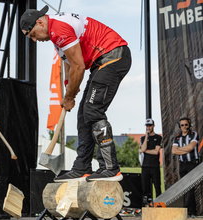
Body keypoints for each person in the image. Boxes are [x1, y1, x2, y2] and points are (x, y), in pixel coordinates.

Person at [20, 6, 131, 181]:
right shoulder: (56, 38)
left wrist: (70, 96)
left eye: (32, 34)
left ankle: (110, 168)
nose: (34, 40)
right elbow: (69, 64)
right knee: (83, 115)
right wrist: (68, 90)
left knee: (92, 111)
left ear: (40, 22)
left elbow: (78, 66)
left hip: (113, 56)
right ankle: (82, 168)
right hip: (100, 63)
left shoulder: (58, 29)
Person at [172, 117, 199, 216]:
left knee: (191, 188)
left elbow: (191, 148)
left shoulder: (194, 134)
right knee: (184, 188)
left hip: (192, 164)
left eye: (186, 125)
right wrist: (185, 149)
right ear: (179, 126)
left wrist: (180, 149)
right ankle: (189, 212)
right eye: (182, 125)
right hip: (182, 164)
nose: (184, 127)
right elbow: (174, 151)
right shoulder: (177, 137)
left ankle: (191, 211)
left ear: (189, 125)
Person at [139, 118, 162, 206]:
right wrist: (146, 137)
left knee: (157, 186)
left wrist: (144, 151)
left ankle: (159, 204)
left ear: (153, 126)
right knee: (145, 188)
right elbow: (143, 148)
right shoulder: (143, 138)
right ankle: (147, 205)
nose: (148, 127)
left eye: (150, 125)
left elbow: (156, 152)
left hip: (155, 166)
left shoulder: (158, 137)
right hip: (145, 166)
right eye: (147, 125)